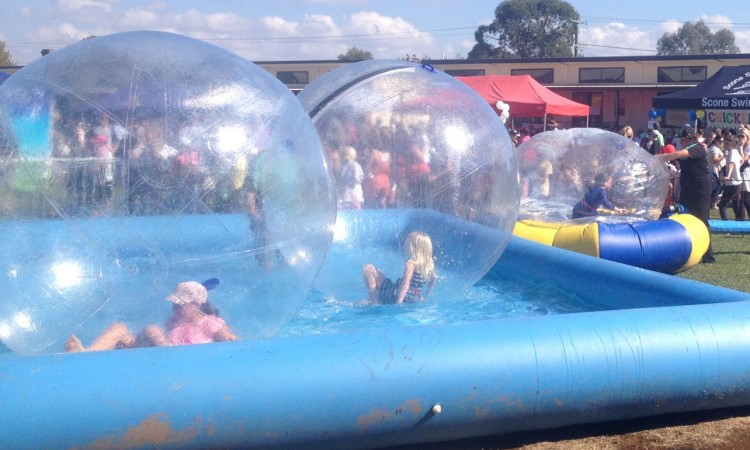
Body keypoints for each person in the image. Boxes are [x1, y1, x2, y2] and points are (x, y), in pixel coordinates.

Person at [65, 281, 238, 351]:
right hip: (161, 353)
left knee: (152, 330)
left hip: (178, 361)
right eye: (173, 304)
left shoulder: (209, 323)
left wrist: (228, 339)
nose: (175, 309)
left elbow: (229, 339)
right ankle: (86, 353)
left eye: (180, 305)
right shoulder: (175, 321)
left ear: (196, 305)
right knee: (119, 328)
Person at [657, 124, 716, 263]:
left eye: (683, 139)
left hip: (700, 191)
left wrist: (656, 157)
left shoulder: (698, 148)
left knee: (702, 220)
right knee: (683, 216)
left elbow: (677, 154)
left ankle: (708, 256)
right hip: (688, 189)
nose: (681, 142)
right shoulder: (687, 149)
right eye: (681, 140)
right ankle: (686, 248)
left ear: (690, 138)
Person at [363, 231, 437, 305]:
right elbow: (433, 278)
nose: (405, 245)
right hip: (412, 298)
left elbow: (406, 282)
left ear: (413, 248)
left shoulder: (411, 263)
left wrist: (399, 301)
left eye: (407, 243)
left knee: (368, 268)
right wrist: (426, 294)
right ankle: (375, 300)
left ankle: (374, 301)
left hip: (396, 294)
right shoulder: (428, 264)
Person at [717, 133, 743, 220]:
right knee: (736, 205)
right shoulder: (735, 152)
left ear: (732, 144)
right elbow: (741, 160)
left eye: (727, 143)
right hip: (738, 183)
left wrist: (727, 175)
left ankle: (726, 225)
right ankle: (740, 222)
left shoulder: (732, 152)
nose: (725, 145)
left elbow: (731, 164)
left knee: (722, 205)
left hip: (732, 183)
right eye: (725, 143)